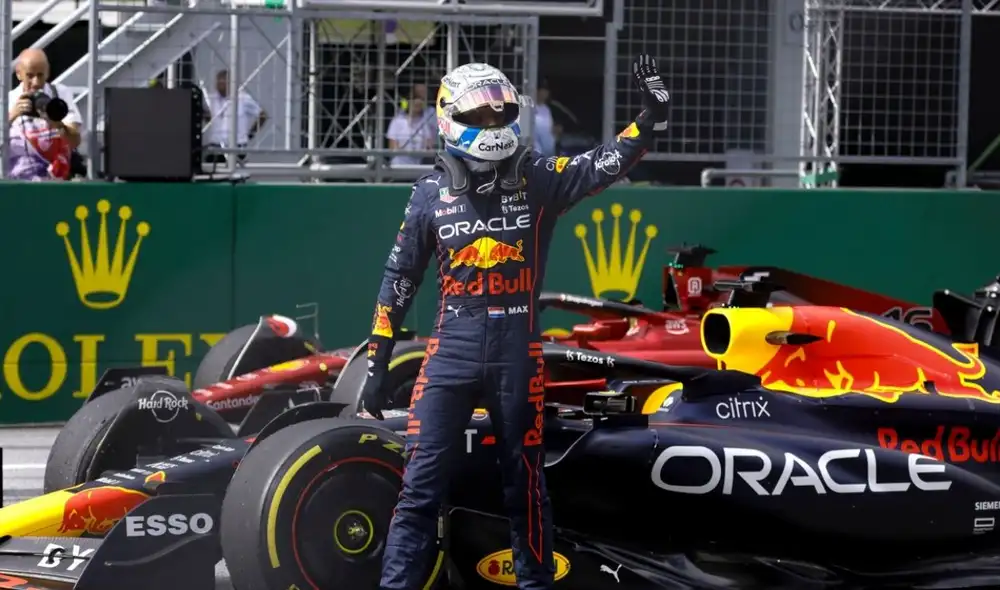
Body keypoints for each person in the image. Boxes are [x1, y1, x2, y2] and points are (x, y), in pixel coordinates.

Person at [360, 54, 670, 590]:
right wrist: (376, 363)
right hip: (449, 355)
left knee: (525, 490)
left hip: (517, 358)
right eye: (478, 116)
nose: (492, 124)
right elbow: (399, 279)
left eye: (499, 113)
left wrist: (650, 118)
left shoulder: (538, 177)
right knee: (419, 491)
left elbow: (602, 163)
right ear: (451, 120)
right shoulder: (429, 193)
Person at [7, 48, 85, 180]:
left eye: (40, 75)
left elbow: (74, 141)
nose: (36, 83)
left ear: (47, 72)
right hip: (18, 181)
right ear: (19, 74)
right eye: (30, 76)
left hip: (56, 180)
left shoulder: (60, 94)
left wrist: (57, 123)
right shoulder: (8, 100)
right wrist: (11, 117)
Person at [203, 69, 267, 164]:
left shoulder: (243, 98)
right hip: (216, 145)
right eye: (218, 83)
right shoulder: (212, 99)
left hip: (237, 145)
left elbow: (262, 115)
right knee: (211, 167)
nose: (219, 86)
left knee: (233, 169)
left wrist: (250, 134)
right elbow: (209, 119)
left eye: (222, 83)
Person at [386, 87, 435, 167]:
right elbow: (392, 148)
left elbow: (429, 147)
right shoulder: (397, 121)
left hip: (417, 167)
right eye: (414, 99)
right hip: (399, 165)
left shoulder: (425, 123)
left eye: (420, 100)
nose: (417, 102)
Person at [532, 81, 556, 156]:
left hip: (548, 147)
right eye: (543, 91)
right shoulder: (531, 107)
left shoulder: (547, 109)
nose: (545, 94)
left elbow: (550, 126)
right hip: (536, 146)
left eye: (546, 91)